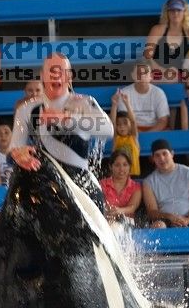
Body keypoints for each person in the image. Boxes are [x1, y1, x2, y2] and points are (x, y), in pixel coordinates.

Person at [10, 53, 114, 210]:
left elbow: (108, 130)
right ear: (42, 76)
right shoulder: (26, 110)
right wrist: (19, 155)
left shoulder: (84, 102)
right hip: (45, 182)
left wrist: (67, 119)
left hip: (81, 183)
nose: (56, 75)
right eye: (52, 71)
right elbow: (15, 146)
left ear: (70, 76)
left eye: (62, 71)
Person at [142, 138, 189, 228]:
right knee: (158, 226)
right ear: (153, 159)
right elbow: (152, 212)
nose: (161, 158)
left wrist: (186, 220)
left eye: (164, 153)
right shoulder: (148, 182)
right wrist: (169, 217)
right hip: (165, 220)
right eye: (157, 155)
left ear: (172, 154)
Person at [144, 0, 189, 83]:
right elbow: (147, 57)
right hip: (158, 72)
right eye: (172, 10)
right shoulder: (158, 30)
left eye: (179, 10)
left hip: (180, 75)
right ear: (167, 12)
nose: (175, 13)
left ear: (185, 12)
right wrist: (163, 71)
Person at [118, 60, 170, 132]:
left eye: (145, 74)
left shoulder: (159, 93)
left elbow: (163, 120)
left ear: (151, 76)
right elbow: (124, 120)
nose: (142, 77)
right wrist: (137, 132)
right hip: (131, 129)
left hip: (155, 129)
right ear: (132, 75)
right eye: (138, 73)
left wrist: (148, 134)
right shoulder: (124, 93)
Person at [100, 149, 142, 222]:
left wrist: (119, 211)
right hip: (106, 220)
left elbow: (132, 207)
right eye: (117, 165)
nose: (121, 169)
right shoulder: (102, 184)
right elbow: (100, 205)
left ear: (130, 167)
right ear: (110, 166)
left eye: (125, 165)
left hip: (127, 222)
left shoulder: (136, 187)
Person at [109, 89, 140, 176]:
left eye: (125, 123)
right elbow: (112, 123)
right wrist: (114, 104)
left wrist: (127, 103)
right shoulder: (116, 139)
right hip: (119, 176)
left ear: (130, 126)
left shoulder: (133, 137)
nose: (122, 126)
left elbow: (133, 121)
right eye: (119, 124)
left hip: (133, 175)